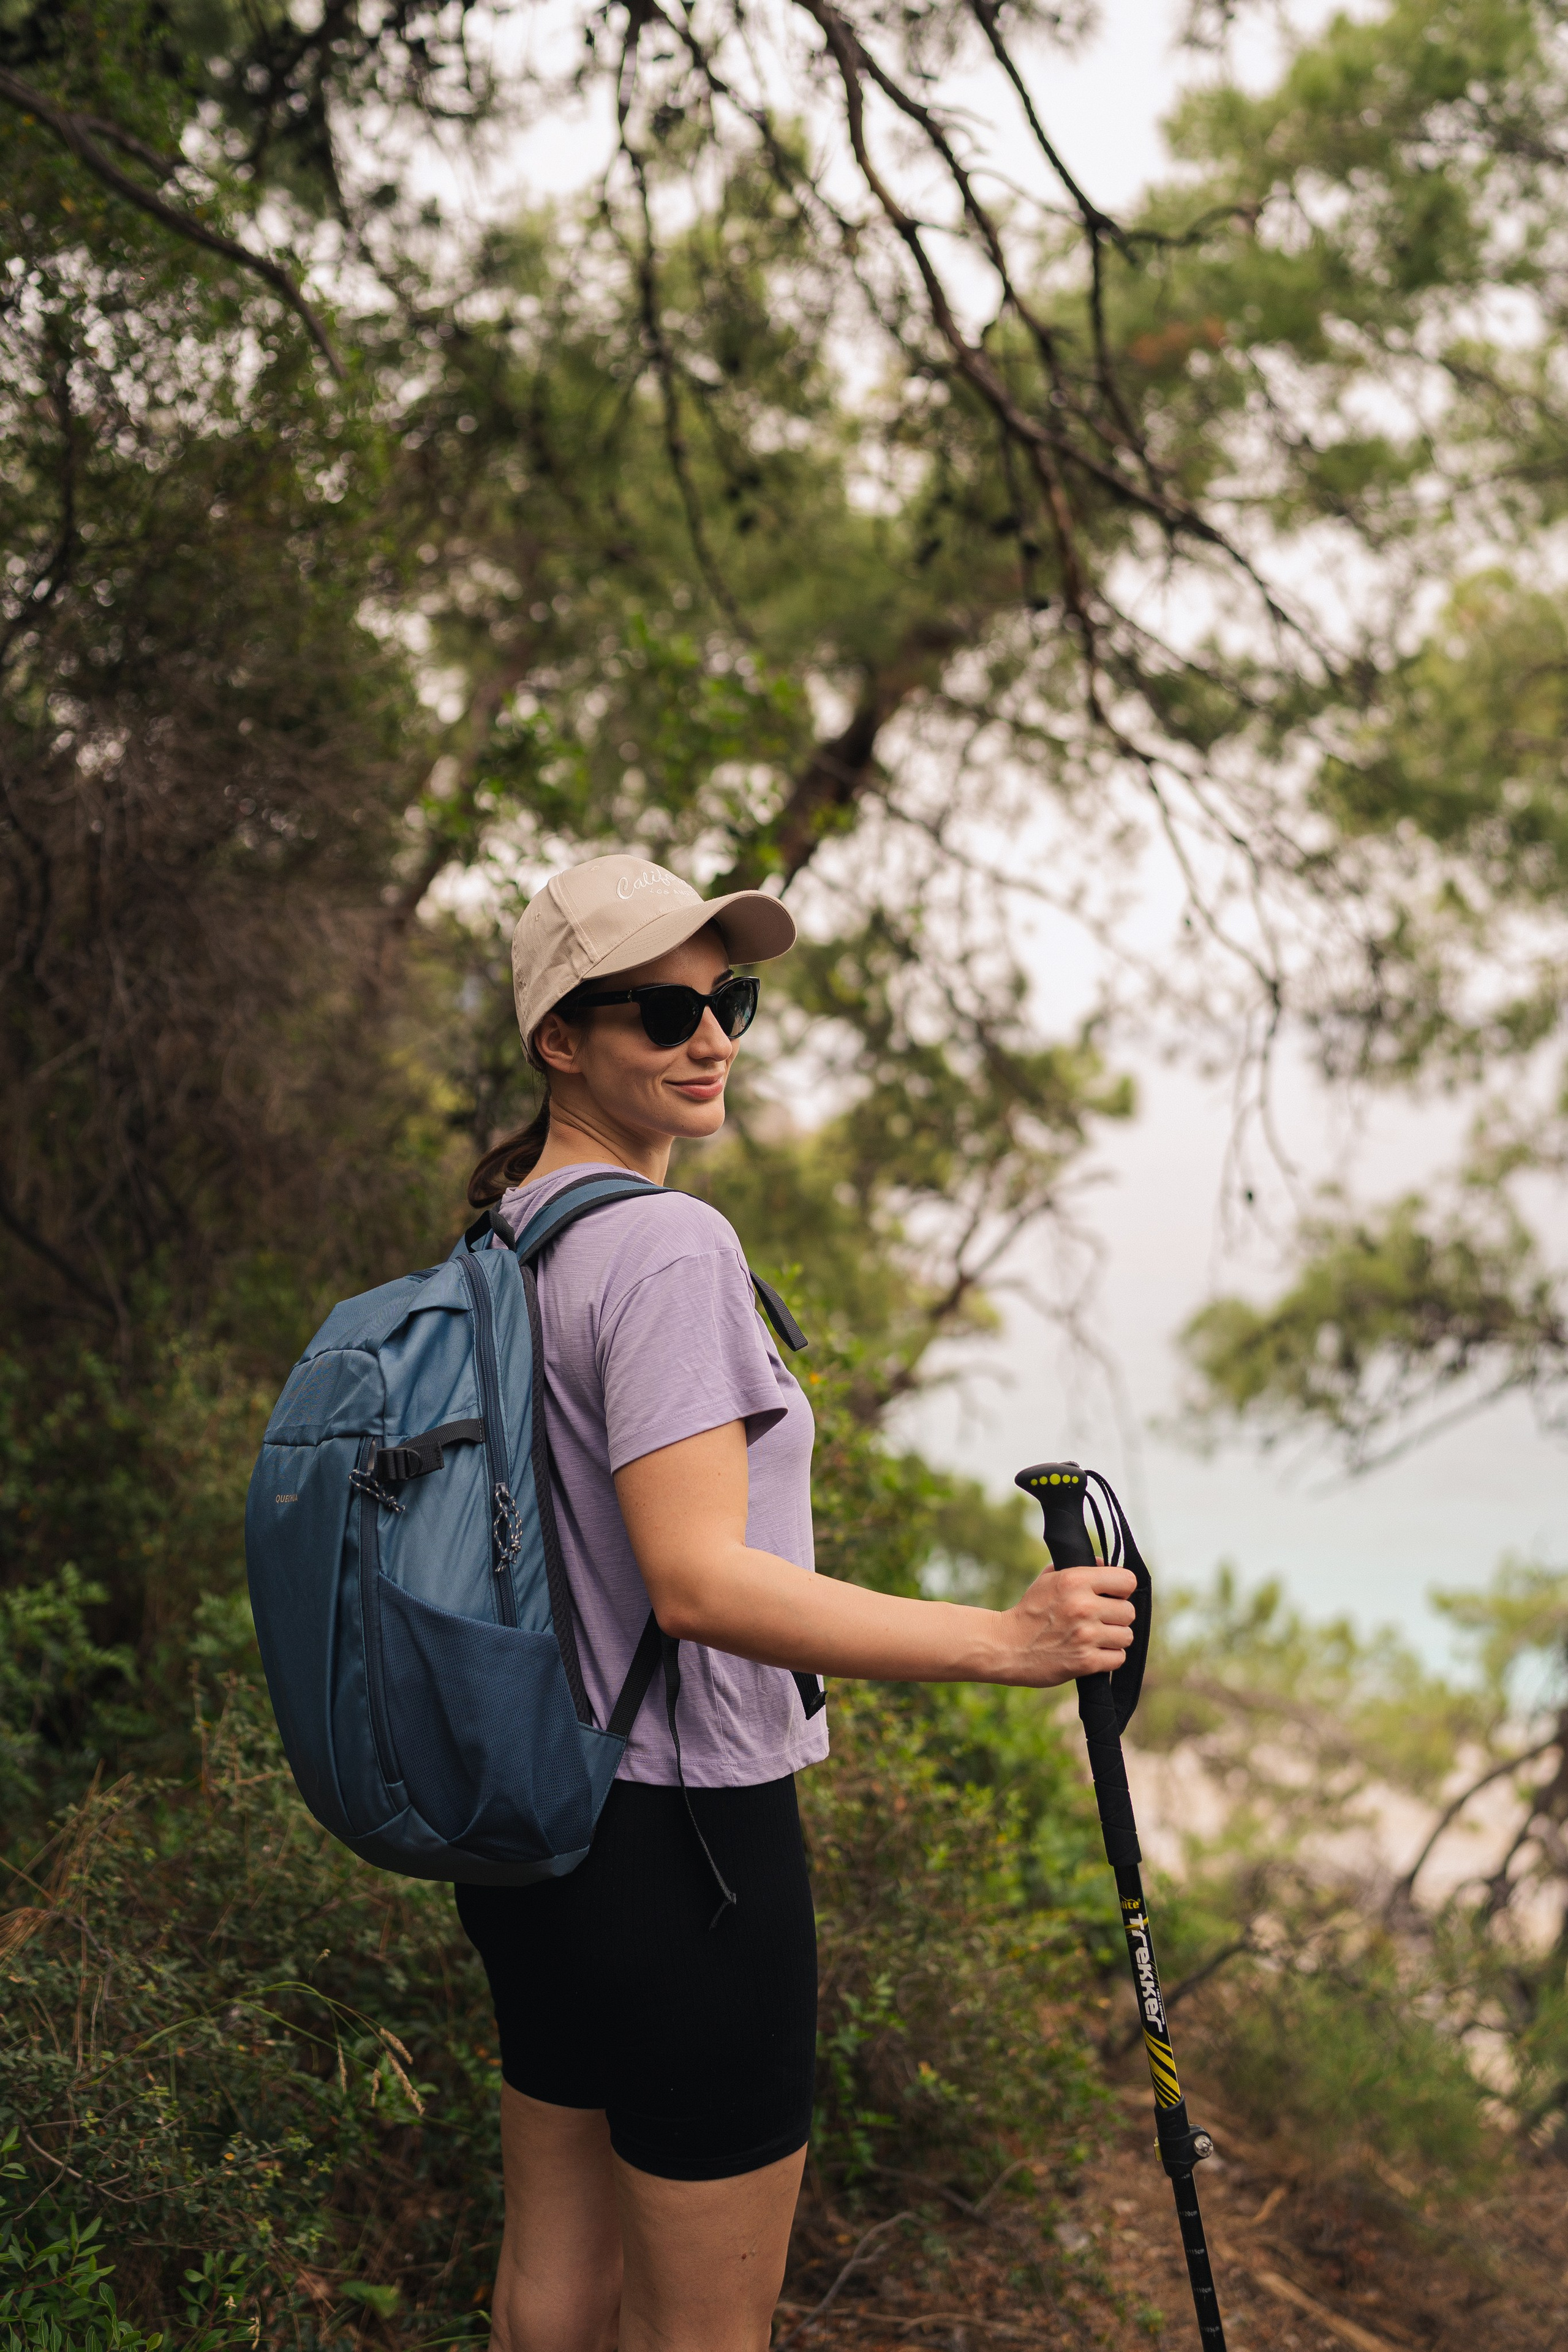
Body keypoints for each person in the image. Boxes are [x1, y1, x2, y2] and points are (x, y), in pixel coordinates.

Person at [456, 852, 1137, 2352]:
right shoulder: (665, 1244)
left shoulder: (502, 1235)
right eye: (661, 1011)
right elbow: (695, 1585)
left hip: (526, 1831)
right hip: (686, 1845)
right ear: (560, 1040)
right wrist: (1006, 1641)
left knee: (552, 2279)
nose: (710, 1040)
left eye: (730, 1002)